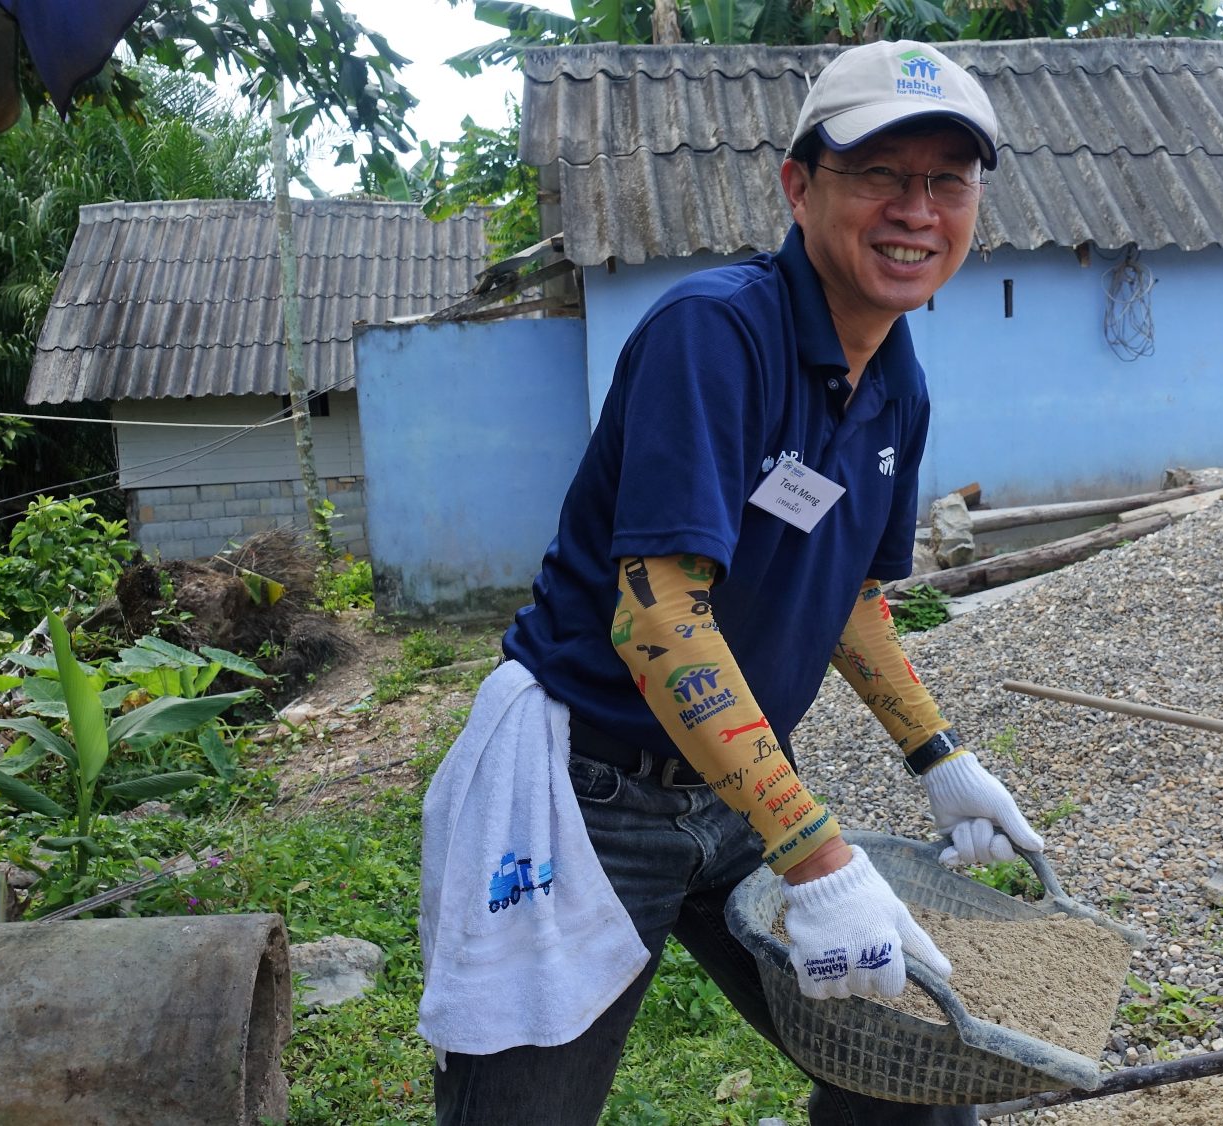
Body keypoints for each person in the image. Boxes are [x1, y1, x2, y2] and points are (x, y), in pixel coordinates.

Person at [422, 39, 1047, 1126]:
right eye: (880, 177)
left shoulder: (893, 378)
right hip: (587, 792)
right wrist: (816, 851)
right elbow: (656, 613)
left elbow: (849, 589)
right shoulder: (713, 335)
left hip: (737, 784)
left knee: (907, 1070)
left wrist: (938, 755)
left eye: (946, 181)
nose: (915, 210)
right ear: (799, 186)